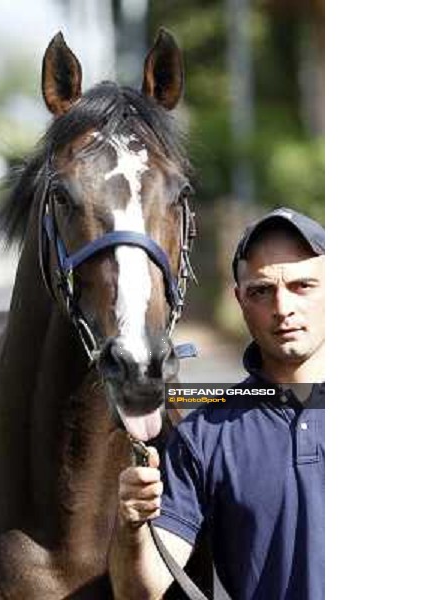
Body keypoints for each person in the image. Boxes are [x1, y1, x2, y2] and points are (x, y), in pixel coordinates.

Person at [109, 207, 325, 599]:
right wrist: (131, 525)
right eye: (261, 290)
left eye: (303, 286)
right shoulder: (202, 436)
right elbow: (139, 592)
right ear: (240, 300)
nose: (283, 308)